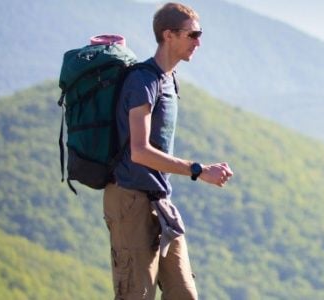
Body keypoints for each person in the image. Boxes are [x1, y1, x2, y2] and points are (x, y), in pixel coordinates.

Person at [103, 2, 234, 299]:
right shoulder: (143, 81)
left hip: (159, 200)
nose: (199, 41)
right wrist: (199, 171)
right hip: (130, 201)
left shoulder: (168, 80)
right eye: (193, 34)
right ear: (168, 35)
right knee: (137, 294)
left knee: (184, 294)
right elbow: (139, 151)